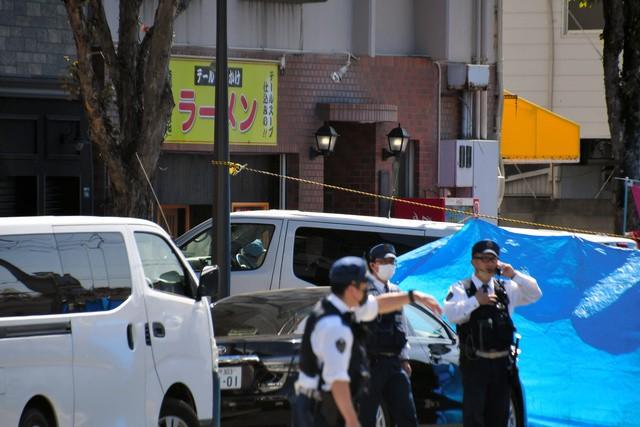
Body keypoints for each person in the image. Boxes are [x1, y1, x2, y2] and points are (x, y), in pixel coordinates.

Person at [293, 256, 442, 427]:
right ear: (352, 289)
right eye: (364, 284)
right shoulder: (334, 325)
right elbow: (337, 381)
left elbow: (378, 305)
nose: (367, 288)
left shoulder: (340, 305)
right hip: (321, 405)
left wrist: (412, 296)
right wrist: (351, 418)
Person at [443, 239, 542, 427]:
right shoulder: (462, 288)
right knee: (474, 416)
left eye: (493, 259)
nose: (489, 264)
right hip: (475, 364)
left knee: (499, 416)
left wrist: (514, 275)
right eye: (484, 259)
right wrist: (476, 301)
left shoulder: (506, 288)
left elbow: (535, 293)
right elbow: (451, 313)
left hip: (502, 364)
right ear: (474, 261)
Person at [358, 243, 418, 427]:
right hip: (369, 363)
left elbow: (401, 325)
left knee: (407, 414)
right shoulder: (363, 290)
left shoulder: (396, 291)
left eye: (391, 261)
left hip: (393, 362)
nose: (388, 265)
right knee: (366, 416)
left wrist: (404, 358)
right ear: (372, 265)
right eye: (383, 261)